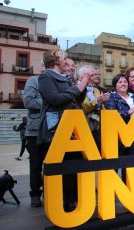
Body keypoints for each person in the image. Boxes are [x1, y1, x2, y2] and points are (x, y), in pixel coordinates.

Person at [37, 49, 89, 212]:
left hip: (72, 128)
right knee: (60, 166)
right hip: (56, 129)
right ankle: (60, 201)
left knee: (73, 164)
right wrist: (78, 87)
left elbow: (75, 99)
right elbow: (55, 99)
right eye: (64, 58)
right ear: (55, 60)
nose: (67, 61)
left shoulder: (65, 79)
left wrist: (81, 87)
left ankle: (72, 199)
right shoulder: (46, 76)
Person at [104, 73, 134, 186]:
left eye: (124, 81)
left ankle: (129, 187)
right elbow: (112, 115)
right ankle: (111, 190)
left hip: (133, 134)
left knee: (130, 163)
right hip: (118, 136)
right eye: (120, 82)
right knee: (115, 164)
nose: (123, 84)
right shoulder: (111, 96)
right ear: (115, 85)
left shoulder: (133, 97)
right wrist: (128, 112)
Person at [23, 70, 44, 207]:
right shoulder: (33, 81)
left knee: (52, 165)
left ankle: (50, 190)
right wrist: (50, 100)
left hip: (53, 131)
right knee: (36, 165)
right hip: (34, 131)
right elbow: (28, 102)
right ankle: (35, 194)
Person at [79, 65, 110, 148]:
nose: (92, 78)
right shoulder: (76, 89)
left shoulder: (95, 90)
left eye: (92, 75)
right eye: (89, 75)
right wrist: (97, 101)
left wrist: (101, 104)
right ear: (80, 76)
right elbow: (83, 108)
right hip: (81, 129)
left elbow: (102, 110)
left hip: (96, 129)